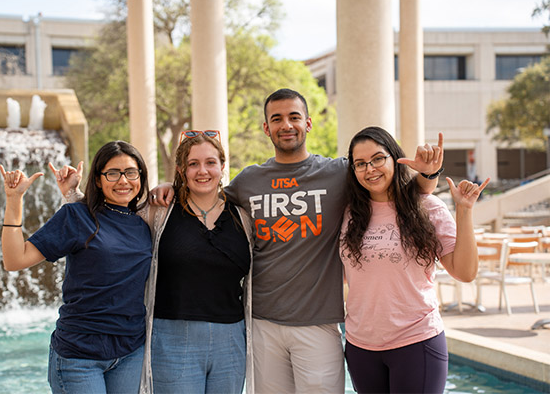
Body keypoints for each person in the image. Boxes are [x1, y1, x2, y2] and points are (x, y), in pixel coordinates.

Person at [152, 88, 444, 393]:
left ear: (308, 123)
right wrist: (169, 187)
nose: (286, 125)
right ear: (266, 128)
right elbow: (208, 193)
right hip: (262, 322)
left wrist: (430, 175)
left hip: (318, 323)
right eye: (276, 119)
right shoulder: (249, 180)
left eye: (294, 117)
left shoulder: (339, 173)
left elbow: (396, 187)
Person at [52, 131, 254, 394]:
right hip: (172, 339)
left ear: (222, 167)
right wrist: (73, 195)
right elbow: (110, 218)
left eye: (210, 162)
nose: (202, 171)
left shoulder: (243, 217)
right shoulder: (158, 211)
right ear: (181, 170)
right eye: (193, 164)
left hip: (232, 340)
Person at [339, 126, 489, 393]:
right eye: (360, 164)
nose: (370, 169)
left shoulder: (428, 207)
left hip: (416, 341)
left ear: (395, 158)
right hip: (361, 346)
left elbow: (465, 272)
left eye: (377, 159)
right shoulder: (348, 214)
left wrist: (464, 211)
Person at [0, 140, 153, 394]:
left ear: (140, 177)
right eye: (112, 173)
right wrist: (14, 199)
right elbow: (15, 259)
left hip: (130, 352)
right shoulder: (76, 216)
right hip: (80, 356)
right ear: (97, 180)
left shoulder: (144, 222)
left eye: (131, 172)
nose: (123, 181)